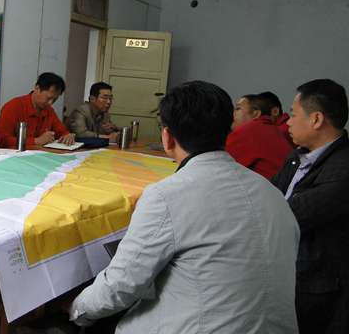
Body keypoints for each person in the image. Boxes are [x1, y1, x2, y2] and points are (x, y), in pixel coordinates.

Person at [69, 81, 299, 334]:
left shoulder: (167, 196)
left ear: (167, 137)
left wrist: (76, 310)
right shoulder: (271, 192)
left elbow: (121, 286)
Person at [271, 79, 349, 334]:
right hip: (289, 276)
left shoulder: (342, 169)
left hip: (319, 291)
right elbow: (270, 194)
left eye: (293, 115)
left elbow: (288, 215)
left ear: (316, 119)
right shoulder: (297, 157)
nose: (288, 122)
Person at [0, 72, 75, 147]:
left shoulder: (49, 110)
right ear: (37, 88)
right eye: (48, 98)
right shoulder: (13, 107)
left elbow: (61, 132)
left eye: (54, 100)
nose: (50, 103)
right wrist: (36, 141)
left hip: (41, 154)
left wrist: (67, 136)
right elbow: (3, 140)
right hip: (14, 155)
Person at [226, 94, 293, 179]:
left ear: (256, 114)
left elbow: (221, 167)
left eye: (238, 108)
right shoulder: (272, 129)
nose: (232, 113)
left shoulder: (247, 131)